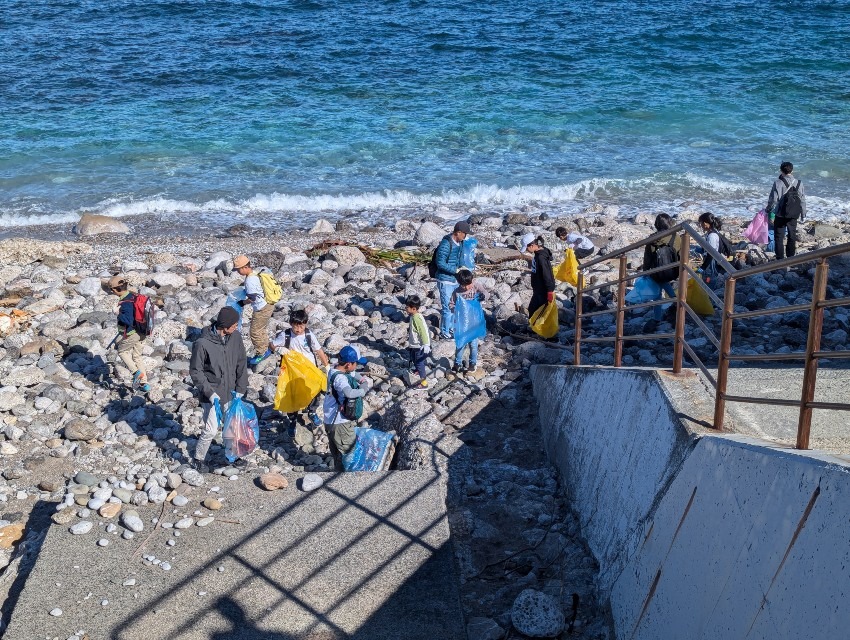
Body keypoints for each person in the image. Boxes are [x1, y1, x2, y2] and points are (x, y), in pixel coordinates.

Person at [189, 306, 249, 472]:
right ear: (225, 326)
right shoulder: (202, 343)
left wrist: (241, 388)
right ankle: (198, 458)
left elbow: (241, 363)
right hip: (211, 394)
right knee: (211, 429)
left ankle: (232, 456)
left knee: (231, 427)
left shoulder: (235, 337)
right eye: (235, 324)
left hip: (231, 393)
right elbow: (196, 371)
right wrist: (210, 393)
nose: (237, 327)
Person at [269, 309, 329, 428]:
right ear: (291, 324)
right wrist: (277, 349)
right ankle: (292, 419)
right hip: (293, 371)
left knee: (314, 390)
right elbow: (271, 344)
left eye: (301, 327)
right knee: (292, 394)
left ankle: (312, 412)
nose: (298, 330)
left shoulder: (309, 335)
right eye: (296, 327)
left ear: (305, 324)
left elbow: (319, 351)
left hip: (309, 368)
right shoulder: (285, 335)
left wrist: (327, 366)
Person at [324, 345, 373, 469]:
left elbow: (353, 373)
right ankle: (351, 480)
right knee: (349, 452)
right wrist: (363, 390)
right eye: (355, 363)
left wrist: (362, 379)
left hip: (330, 420)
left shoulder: (334, 369)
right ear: (348, 364)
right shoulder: (340, 378)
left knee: (338, 455)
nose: (357, 365)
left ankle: (339, 476)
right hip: (340, 423)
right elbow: (349, 393)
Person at [109, 275, 150, 393]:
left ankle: (135, 372)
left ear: (115, 290)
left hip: (133, 333)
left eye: (112, 290)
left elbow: (128, 320)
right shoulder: (133, 295)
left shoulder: (125, 302)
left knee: (122, 351)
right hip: (143, 330)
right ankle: (145, 384)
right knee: (137, 356)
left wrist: (117, 313)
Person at [233, 255, 275, 366]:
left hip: (262, 308)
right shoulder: (255, 273)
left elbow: (252, 298)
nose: (237, 272)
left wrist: (242, 303)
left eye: (238, 270)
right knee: (261, 329)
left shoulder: (249, 280)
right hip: (268, 304)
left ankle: (261, 353)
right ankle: (267, 348)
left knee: (255, 331)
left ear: (244, 268)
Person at [642, 214, 680, 332]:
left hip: (656, 271)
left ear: (656, 224)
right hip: (672, 270)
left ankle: (657, 318)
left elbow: (647, 258)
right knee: (664, 282)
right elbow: (680, 254)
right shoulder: (675, 236)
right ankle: (676, 302)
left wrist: (645, 271)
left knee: (658, 293)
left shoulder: (652, 239)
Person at [434, 221, 472, 339]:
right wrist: (455, 270)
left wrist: (463, 267)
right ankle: (444, 332)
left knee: (454, 306)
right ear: (458, 232)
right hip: (445, 280)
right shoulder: (446, 244)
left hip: (455, 280)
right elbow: (440, 263)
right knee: (447, 308)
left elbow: (459, 258)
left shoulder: (460, 243)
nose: (466, 236)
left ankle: (451, 328)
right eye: (464, 234)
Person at [766, 161, 806, 260]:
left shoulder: (777, 183)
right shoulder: (799, 183)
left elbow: (773, 200)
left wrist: (769, 210)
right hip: (793, 213)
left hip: (780, 213)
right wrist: (803, 215)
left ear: (781, 170)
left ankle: (780, 259)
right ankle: (790, 257)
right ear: (792, 170)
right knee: (792, 235)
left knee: (779, 237)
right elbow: (802, 200)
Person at [449, 269, 487, 374]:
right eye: (464, 286)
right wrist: (456, 309)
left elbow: (485, 293)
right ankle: (457, 363)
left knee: (473, 345)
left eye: (468, 285)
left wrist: (483, 296)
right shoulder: (457, 292)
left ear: (472, 280)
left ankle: (472, 363)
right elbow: (451, 305)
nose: (467, 288)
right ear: (459, 283)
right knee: (460, 344)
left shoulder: (475, 286)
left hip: (474, 323)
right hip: (462, 324)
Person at [521, 234, 556, 319]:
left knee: (536, 311)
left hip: (542, 289)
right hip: (538, 289)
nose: (526, 250)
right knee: (534, 310)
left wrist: (550, 291)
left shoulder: (540, 258)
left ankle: (538, 330)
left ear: (532, 245)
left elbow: (546, 274)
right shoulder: (539, 253)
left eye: (527, 248)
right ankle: (536, 329)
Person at [404, 295, 431, 388]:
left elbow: (423, 331)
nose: (405, 309)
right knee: (414, 358)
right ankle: (417, 370)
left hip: (418, 345)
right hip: (414, 344)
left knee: (419, 362)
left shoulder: (417, 318)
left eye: (407, 307)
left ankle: (424, 383)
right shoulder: (413, 316)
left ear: (414, 308)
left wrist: (426, 344)